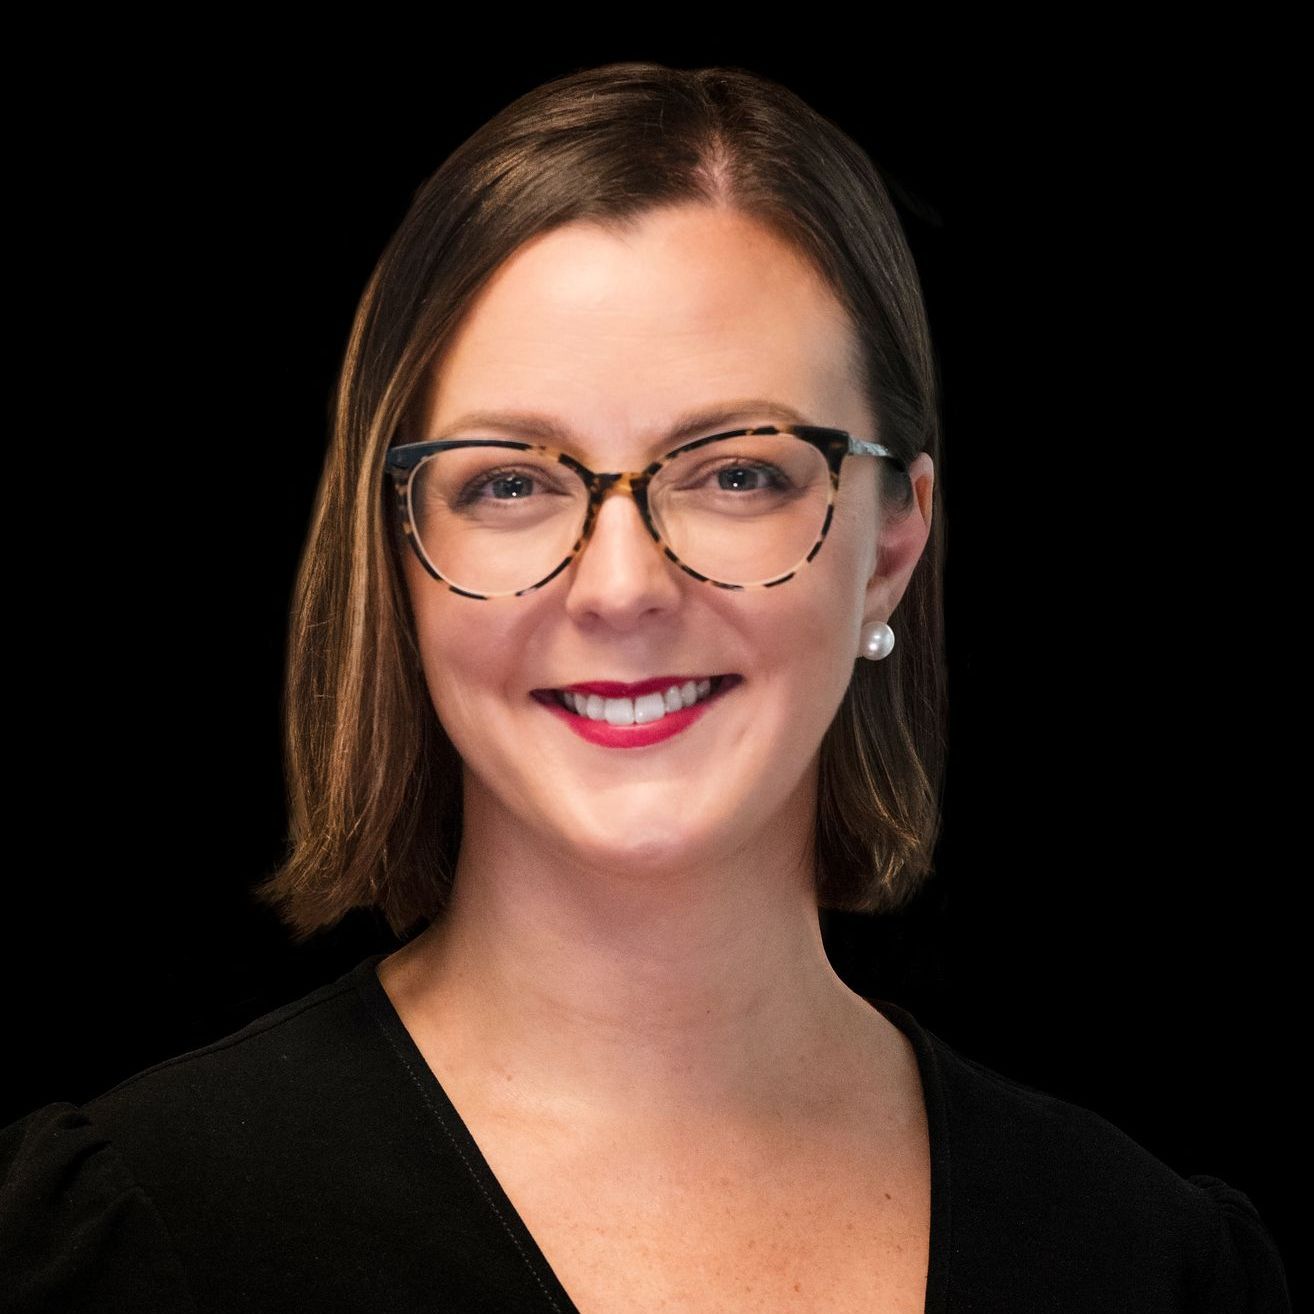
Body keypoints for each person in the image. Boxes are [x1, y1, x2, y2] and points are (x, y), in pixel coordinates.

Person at [0, 62, 1290, 1314]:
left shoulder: (1144, 1263)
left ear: (892, 546)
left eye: (736, 473)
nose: (620, 589)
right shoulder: (134, 1239)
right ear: (397, 553)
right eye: (510, 483)